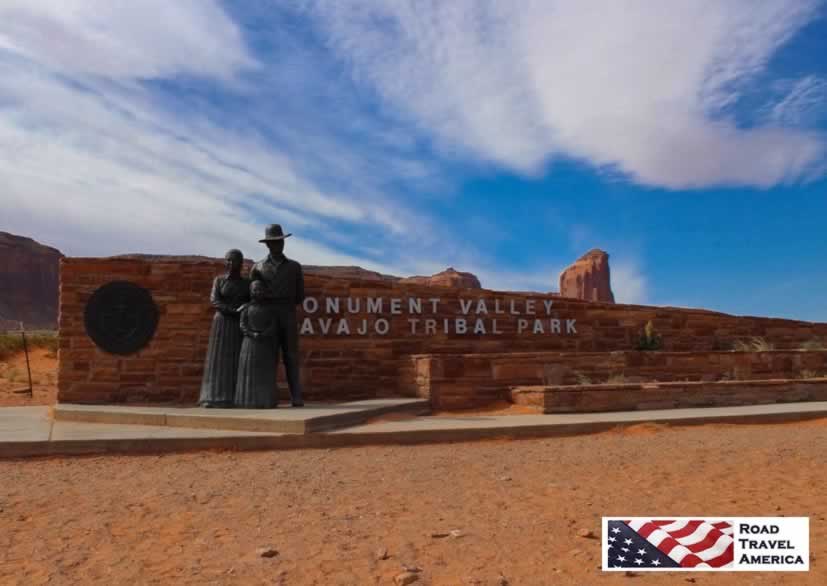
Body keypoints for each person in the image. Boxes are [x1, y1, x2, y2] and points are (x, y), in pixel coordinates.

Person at [249, 224, 305, 407]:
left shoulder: (295, 267)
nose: (277, 245)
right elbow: (252, 293)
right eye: (273, 242)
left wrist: (285, 302)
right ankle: (267, 396)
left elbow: (300, 295)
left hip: (287, 313)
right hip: (267, 314)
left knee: (291, 356)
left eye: (280, 241)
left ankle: (296, 396)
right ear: (267, 245)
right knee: (268, 356)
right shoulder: (257, 267)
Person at [198, 249, 250, 408]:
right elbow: (215, 300)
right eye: (227, 260)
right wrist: (232, 310)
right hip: (222, 323)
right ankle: (212, 397)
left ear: (240, 263)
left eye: (233, 260)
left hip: (239, 325)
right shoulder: (219, 280)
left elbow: (252, 301)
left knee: (235, 360)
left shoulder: (246, 283)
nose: (230, 263)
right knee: (218, 360)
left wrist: (243, 309)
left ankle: (234, 397)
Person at [234, 281, 279, 408]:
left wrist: (264, 334)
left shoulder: (270, 309)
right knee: (248, 372)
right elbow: (242, 325)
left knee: (265, 372)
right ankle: (247, 400)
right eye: (255, 289)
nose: (258, 292)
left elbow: (273, 325)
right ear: (251, 292)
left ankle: (266, 400)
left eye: (260, 289)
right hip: (249, 344)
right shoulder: (246, 308)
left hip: (265, 345)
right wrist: (252, 334)